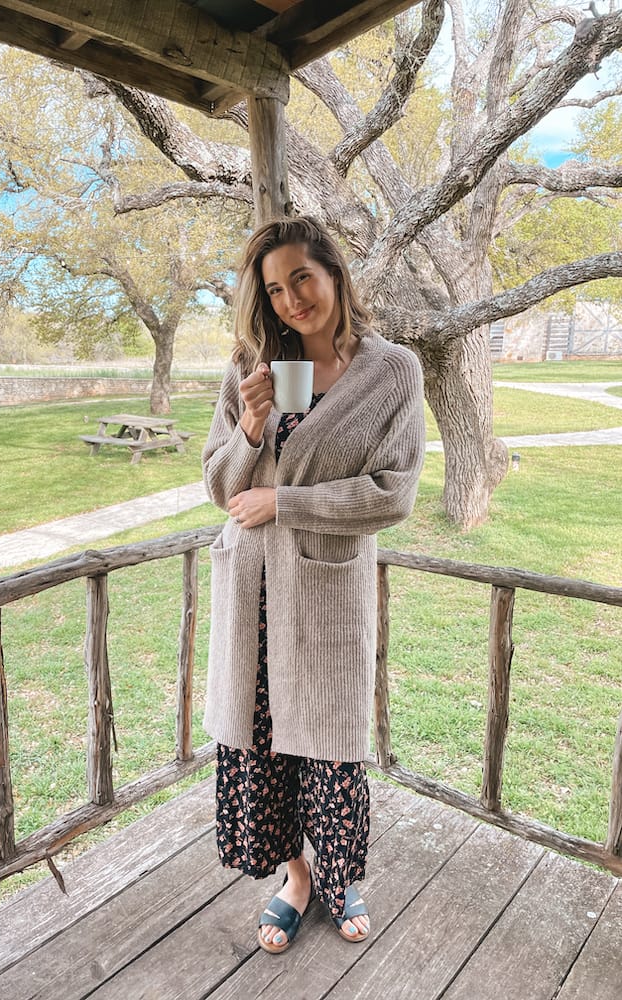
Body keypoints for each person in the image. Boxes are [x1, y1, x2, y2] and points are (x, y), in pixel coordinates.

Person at [202, 215, 425, 954]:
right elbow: (218, 484)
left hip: (327, 594)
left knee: (330, 744)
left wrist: (287, 502)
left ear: (333, 272)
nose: (292, 298)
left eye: (303, 276)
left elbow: (393, 493)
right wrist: (253, 430)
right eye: (275, 287)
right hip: (252, 594)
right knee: (263, 746)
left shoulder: (391, 371)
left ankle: (340, 877)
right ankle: (297, 879)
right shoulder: (251, 364)